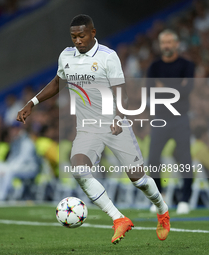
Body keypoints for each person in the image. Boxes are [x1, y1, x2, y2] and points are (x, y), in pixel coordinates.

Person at [17, 14, 170, 244]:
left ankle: (162, 208)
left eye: (81, 35)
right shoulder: (66, 56)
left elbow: (122, 93)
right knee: (79, 169)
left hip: (113, 124)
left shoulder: (108, 57)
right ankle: (118, 219)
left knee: (138, 180)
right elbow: (58, 82)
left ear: (93, 33)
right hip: (87, 129)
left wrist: (119, 117)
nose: (77, 40)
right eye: (73, 36)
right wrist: (32, 103)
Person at [146, 29, 195, 215]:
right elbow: (151, 92)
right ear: (160, 45)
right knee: (153, 159)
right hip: (160, 119)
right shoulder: (154, 67)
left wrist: (163, 87)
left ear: (176, 44)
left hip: (181, 118)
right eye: (163, 42)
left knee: (185, 159)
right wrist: (175, 88)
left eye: (169, 42)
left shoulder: (187, 65)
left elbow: (187, 89)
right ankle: (159, 198)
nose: (166, 45)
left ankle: (185, 199)